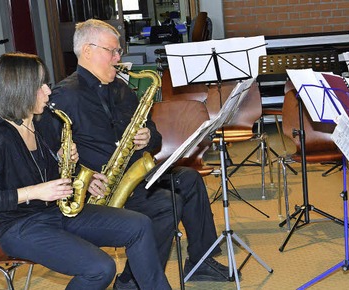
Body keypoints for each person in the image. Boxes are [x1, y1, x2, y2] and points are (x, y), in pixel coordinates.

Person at [46, 19, 230, 289]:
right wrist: (80, 177)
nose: (118, 57)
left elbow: (153, 134)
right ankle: (131, 280)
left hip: (134, 173)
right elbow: (49, 153)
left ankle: (200, 261)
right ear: (87, 51)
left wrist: (147, 138)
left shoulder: (120, 88)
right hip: (100, 188)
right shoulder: (63, 96)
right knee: (167, 204)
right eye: (113, 51)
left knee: (190, 180)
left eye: (118, 51)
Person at [0, 53, 171, 290]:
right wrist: (34, 192)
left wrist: (80, 174)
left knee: (139, 225)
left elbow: (48, 175)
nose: (48, 91)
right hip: (19, 226)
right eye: (40, 86)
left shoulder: (42, 122)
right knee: (100, 268)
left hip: (58, 212)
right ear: (19, 90)